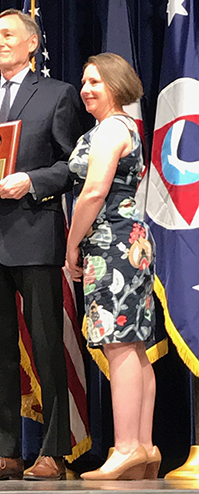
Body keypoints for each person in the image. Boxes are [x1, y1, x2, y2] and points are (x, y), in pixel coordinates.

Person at [0, 9, 82, 481]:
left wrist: (31, 180)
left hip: (34, 235)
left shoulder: (57, 94)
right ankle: (4, 451)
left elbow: (72, 166)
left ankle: (53, 452)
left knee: (47, 346)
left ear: (32, 43)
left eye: (6, 35)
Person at [66, 53, 160, 481]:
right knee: (135, 346)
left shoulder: (110, 130)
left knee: (119, 344)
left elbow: (92, 192)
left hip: (111, 244)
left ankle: (125, 448)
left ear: (117, 85)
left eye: (95, 82)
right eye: (84, 82)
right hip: (130, 241)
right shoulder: (126, 127)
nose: (86, 90)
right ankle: (143, 445)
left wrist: (71, 247)